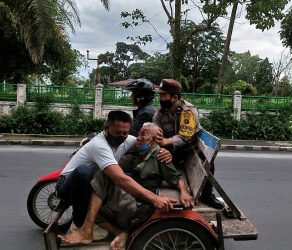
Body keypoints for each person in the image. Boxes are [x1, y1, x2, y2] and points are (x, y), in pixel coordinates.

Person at [59, 123, 194, 250]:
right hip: (126, 200)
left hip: (137, 205)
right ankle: (120, 233)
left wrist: (184, 192)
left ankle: (87, 232)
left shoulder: (159, 156)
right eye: (139, 135)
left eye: (143, 135)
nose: (139, 138)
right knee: (91, 201)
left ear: (153, 139)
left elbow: (176, 177)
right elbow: (117, 167)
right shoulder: (137, 154)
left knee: (103, 176)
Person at [56, 110, 174, 231]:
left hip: (93, 181)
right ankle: (80, 224)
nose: (122, 136)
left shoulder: (127, 139)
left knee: (107, 177)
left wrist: (164, 152)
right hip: (68, 185)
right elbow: (120, 179)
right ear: (106, 128)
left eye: (125, 133)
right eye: (118, 132)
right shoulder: (100, 145)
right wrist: (155, 199)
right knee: (85, 171)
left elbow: (146, 143)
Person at [153, 79, 224, 209]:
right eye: (160, 96)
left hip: (191, 150)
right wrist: (162, 145)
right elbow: (156, 134)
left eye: (164, 96)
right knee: (159, 157)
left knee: (207, 161)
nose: (161, 99)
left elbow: (185, 137)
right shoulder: (159, 113)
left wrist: (165, 141)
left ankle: (207, 195)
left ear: (175, 97)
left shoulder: (188, 111)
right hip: (175, 151)